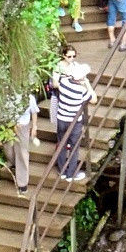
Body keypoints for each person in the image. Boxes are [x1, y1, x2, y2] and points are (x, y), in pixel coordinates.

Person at [45, 54, 93, 182]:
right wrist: (87, 84)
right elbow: (93, 99)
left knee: (61, 143)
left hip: (61, 119)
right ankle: (71, 174)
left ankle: (62, 171)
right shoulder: (81, 90)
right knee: (74, 147)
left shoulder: (64, 82)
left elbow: (58, 85)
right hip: (74, 122)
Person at [11, 89, 36, 190]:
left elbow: (34, 112)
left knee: (22, 151)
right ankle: (15, 165)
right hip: (9, 126)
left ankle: (22, 183)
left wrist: (34, 126)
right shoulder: (8, 96)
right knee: (8, 149)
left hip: (23, 126)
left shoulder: (29, 97)